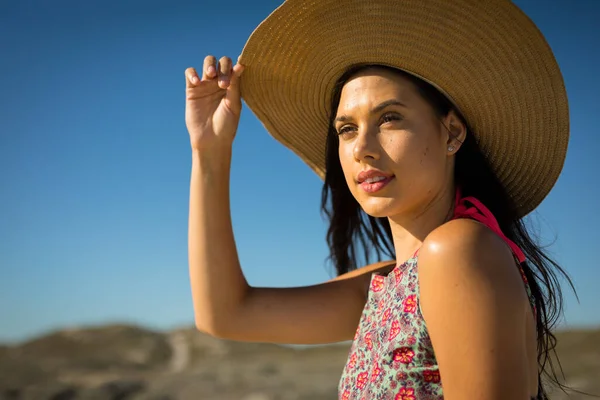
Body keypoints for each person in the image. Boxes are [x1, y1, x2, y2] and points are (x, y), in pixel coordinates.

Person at [183, 0, 575, 398]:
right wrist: (209, 151)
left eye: (390, 118)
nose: (362, 149)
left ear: (452, 133)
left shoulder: (456, 251)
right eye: (348, 129)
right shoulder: (387, 285)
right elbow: (225, 314)